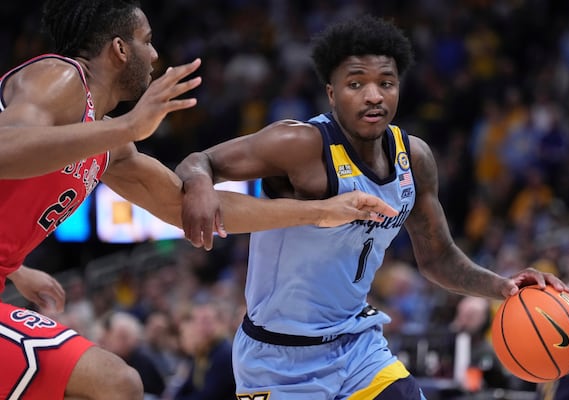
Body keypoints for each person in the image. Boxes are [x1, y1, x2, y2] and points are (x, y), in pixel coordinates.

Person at [0, 1, 399, 399]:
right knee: (114, 385)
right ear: (120, 50)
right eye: (147, 40)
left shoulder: (109, 146)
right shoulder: (61, 76)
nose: (155, 54)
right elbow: (5, 147)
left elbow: (188, 210)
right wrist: (129, 125)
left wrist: (320, 211)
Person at [175, 14, 569, 399]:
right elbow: (199, 161)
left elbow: (437, 258)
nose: (374, 95)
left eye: (386, 82)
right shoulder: (299, 145)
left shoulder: (413, 158)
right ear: (332, 93)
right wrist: (199, 185)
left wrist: (502, 286)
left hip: (357, 347)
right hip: (278, 358)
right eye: (356, 83)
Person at [171, 300, 236, 400]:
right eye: (198, 322)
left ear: (219, 323)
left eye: (207, 321)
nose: (202, 327)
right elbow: (188, 386)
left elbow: (209, 396)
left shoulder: (223, 353)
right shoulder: (203, 351)